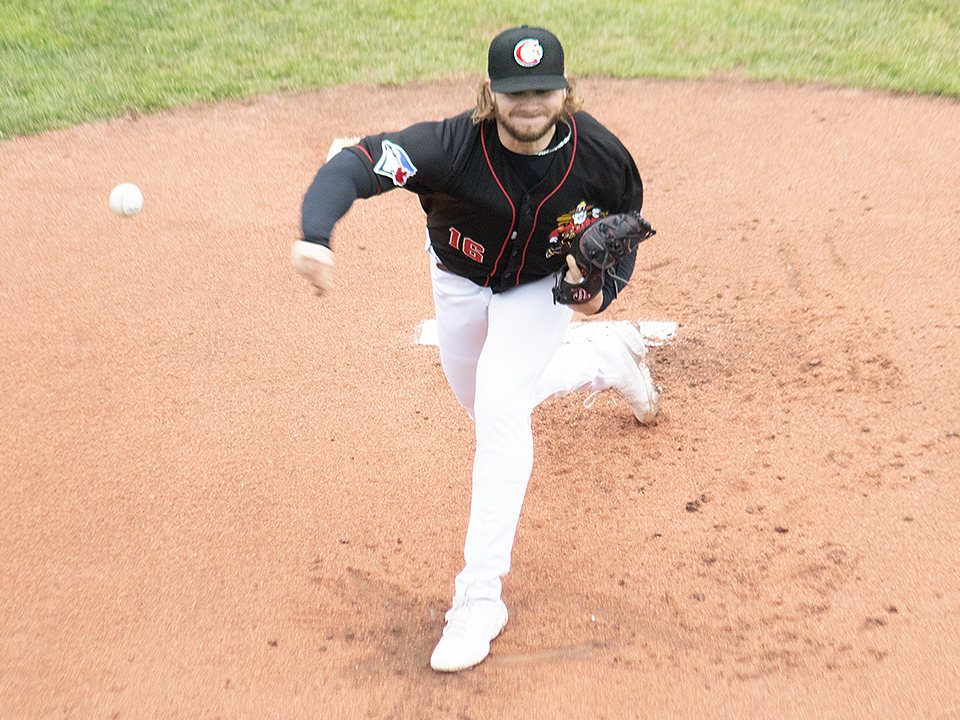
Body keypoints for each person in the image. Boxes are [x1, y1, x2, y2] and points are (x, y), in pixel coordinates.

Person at [293, 25, 659, 672]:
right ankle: (605, 361)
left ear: (565, 90)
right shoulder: (447, 147)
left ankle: (479, 597)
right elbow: (355, 162)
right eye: (515, 91)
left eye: (543, 89)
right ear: (490, 93)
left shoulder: (603, 162)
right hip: (458, 282)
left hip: (538, 291)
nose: (530, 103)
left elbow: (602, 296)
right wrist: (316, 234)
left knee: (497, 410)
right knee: (485, 401)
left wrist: (581, 279)